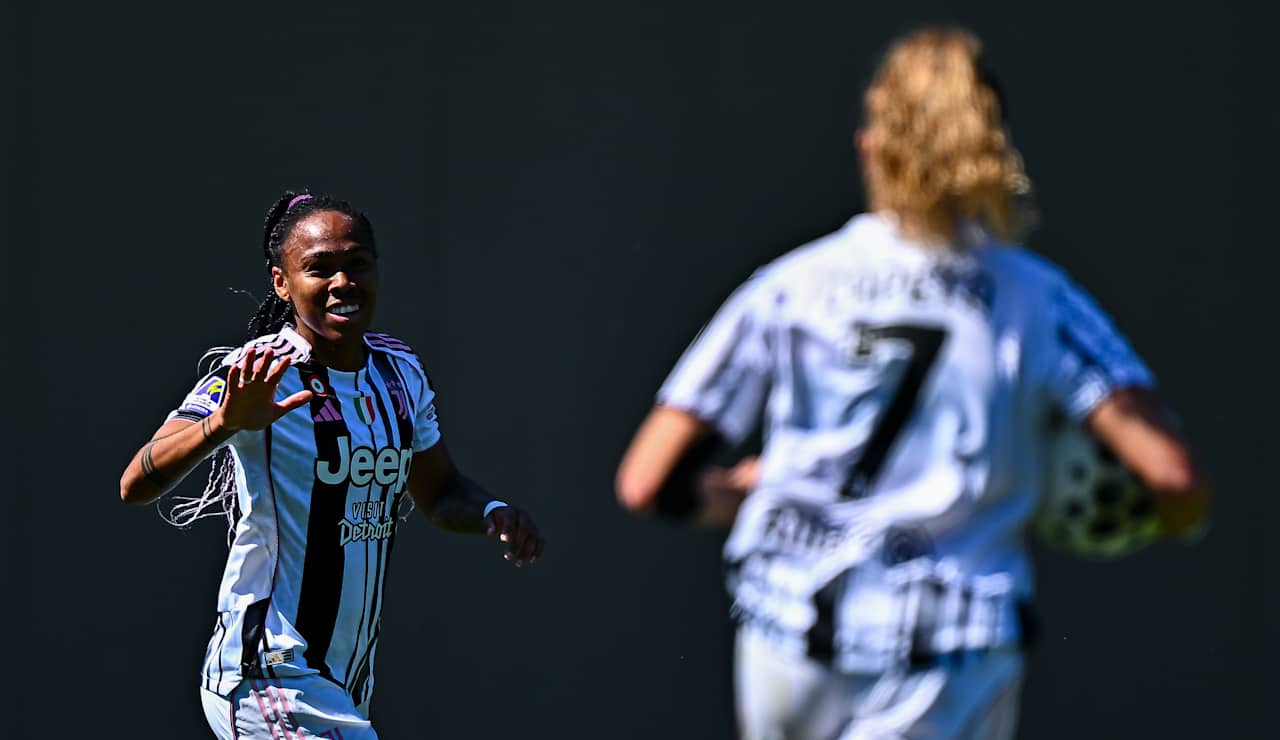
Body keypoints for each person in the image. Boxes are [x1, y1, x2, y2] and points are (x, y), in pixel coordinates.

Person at [615, 28, 1209, 740]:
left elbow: (647, 481)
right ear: (989, 147)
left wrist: (751, 493)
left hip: (786, 639)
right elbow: (1171, 473)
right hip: (939, 656)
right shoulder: (1034, 299)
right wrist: (1169, 517)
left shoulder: (792, 286)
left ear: (871, 146)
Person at [119, 190, 544, 739]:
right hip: (270, 670)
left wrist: (491, 511)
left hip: (345, 678)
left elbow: (439, 492)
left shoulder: (400, 372)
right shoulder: (257, 372)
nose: (342, 283)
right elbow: (136, 481)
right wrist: (224, 423)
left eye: (357, 264)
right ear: (282, 282)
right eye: (319, 269)